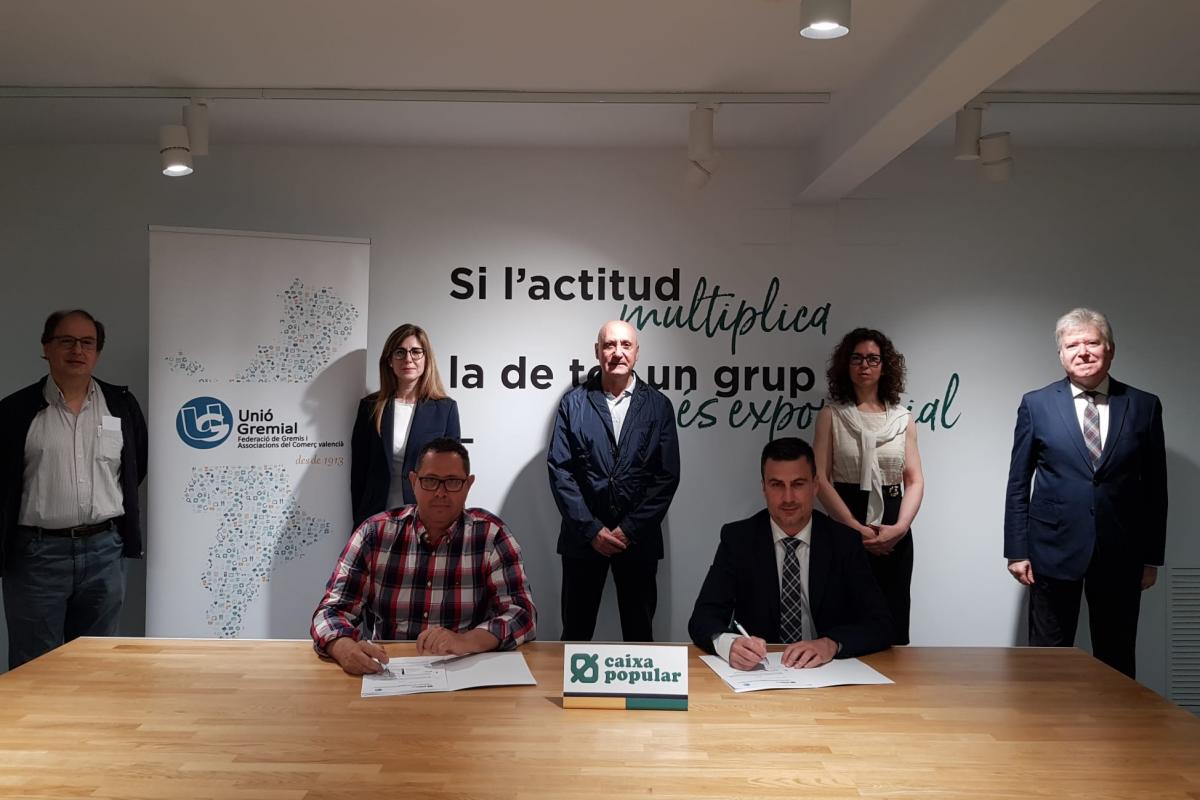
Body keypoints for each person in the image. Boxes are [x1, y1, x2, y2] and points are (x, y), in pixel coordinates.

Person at [1004, 308, 1167, 679]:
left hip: (1121, 553)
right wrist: (1017, 550)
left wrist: (1151, 557)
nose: (1083, 351)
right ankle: (1047, 733)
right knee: (1047, 657)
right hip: (1051, 549)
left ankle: (1117, 735)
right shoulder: (1037, 404)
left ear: (1110, 349)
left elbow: (1156, 488)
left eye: (1092, 342)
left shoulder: (1144, 405)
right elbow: (1018, 483)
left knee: (1117, 656)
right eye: (1072, 344)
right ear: (1061, 354)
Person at [312, 438, 536, 675]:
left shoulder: (492, 536)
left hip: (465, 670)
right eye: (430, 481)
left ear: (468, 485)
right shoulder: (374, 533)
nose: (440, 492)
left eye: (452, 482)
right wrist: (344, 647)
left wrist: (467, 641)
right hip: (389, 670)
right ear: (413, 481)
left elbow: (522, 614)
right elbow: (331, 611)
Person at [0, 309, 147, 669]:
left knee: (95, 663)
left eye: (87, 342)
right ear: (46, 348)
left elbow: (134, 468)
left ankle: (91, 728)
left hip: (104, 554)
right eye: (66, 341)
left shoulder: (122, 406)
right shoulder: (14, 411)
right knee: (35, 665)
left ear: (97, 351)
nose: (77, 350)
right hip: (36, 557)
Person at [689, 437, 892, 670]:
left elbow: (881, 624)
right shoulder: (738, 539)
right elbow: (702, 618)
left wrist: (832, 644)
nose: (787, 498)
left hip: (827, 673)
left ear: (815, 486)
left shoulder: (843, 542)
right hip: (760, 673)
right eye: (776, 485)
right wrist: (729, 644)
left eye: (798, 484)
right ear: (763, 487)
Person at [547, 319, 680, 642]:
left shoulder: (658, 406)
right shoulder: (573, 403)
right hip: (582, 540)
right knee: (575, 633)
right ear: (597, 352)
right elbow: (560, 470)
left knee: (640, 634)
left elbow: (667, 476)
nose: (617, 353)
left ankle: (640, 695)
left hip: (638, 541)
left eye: (625, 345)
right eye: (609, 345)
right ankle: (571, 695)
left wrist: (629, 529)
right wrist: (592, 530)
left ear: (636, 353)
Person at [812, 327, 924, 645]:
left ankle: (896, 692)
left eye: (873, 359)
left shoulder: (904, 419)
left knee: (893, 614)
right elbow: (819, 478)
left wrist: (900, 527)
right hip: (845, 521)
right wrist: (851, 528)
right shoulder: (831, 416)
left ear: (884, 366)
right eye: (857, 358)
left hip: (893, 526)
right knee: (844, 614)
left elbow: (914, 480)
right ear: (845, 365)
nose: (865, 365)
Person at [350, 323, 460, 528]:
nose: (408, 359)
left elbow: (453, 475)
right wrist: (359, 522)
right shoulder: (370, 407)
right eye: (400, 352)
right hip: (377, 518)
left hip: (429, 519)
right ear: (389, 361)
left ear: (426, 359)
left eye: (416, 352)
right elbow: (359, 474)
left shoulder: (445, 409)